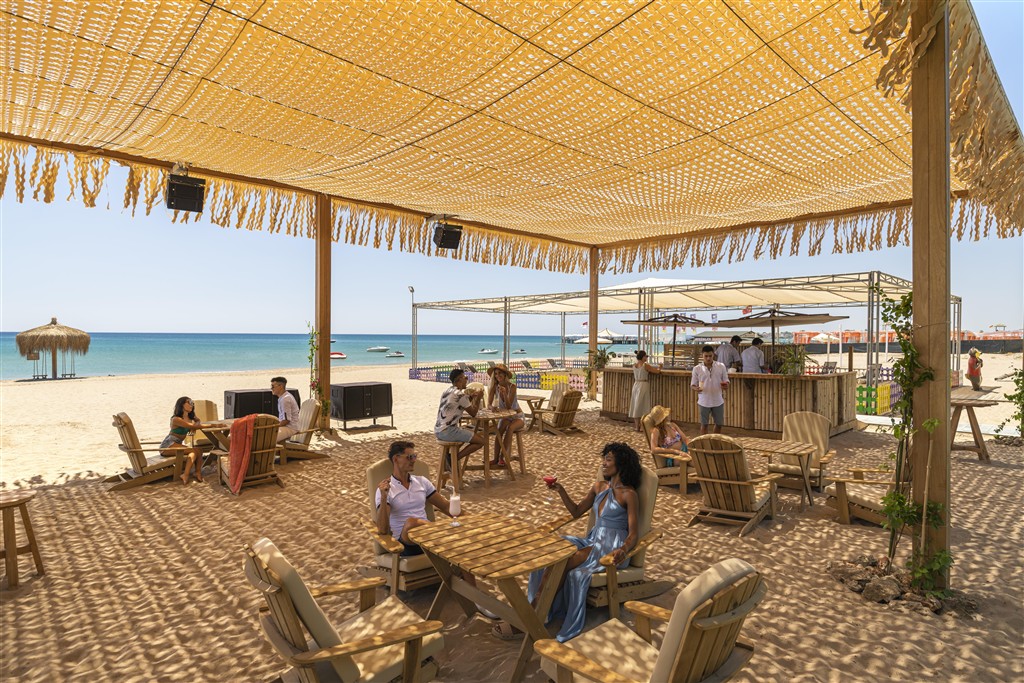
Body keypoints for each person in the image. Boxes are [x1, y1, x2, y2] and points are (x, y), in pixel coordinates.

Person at [506, 442, 640, 643]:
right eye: (603, 459)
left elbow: (634, 533)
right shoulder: (599, 487)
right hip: (593, 540)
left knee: (565, 561)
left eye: (608, 459)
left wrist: (623, 549)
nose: (603, 463)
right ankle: (541, 607)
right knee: (554, 548)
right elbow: (576, 512)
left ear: (620, 463)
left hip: (611, 549)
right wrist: (561, 490)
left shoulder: (629, 494)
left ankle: (533, 613)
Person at [376, 440, 492, 614]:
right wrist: (384, 496)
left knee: (461, 544)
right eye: (409, 457)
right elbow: (382, 529)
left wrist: (474, 521)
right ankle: (442, 532)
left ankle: (476, 600)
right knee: (411, 522)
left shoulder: (421, 482)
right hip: (405, 544)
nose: (414, 460)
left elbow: (445, 506)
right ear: (396, 459)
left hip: (431, 539)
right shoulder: (386, 489)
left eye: (415, 456)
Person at [434, 369, 485, 467]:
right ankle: (453, 459)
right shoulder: (460, 394)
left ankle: (449, 459)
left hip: (438, 430)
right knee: (481, 441)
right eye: (465, 377)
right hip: (448, 431)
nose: (467, 380)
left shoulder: (447, 391)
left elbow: (459, 404)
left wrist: (470, 397)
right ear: (460, 379)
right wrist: (478, 398)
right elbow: (473, 413)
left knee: (466, 433)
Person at [159, 396, 208, 485]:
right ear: (181, 405)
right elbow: (193, 426)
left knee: (199, 450)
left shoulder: (190, 417)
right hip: (167, 445)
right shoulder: (176, 419)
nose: (191, 405)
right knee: (194, 450)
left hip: (177, 444)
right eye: (188, 403)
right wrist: (214, 425)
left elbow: (197, 421)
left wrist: (195, 425)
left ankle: (197, 472)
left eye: (192, 403)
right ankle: (186, 474)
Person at [487, 363, 525, 467]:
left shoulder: (512, 387)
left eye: (500, 373)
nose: (497, 376)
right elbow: (488, 404)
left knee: (510, 428)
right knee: (499, 431)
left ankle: (502, 457)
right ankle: (495, 458)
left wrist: (504, 393)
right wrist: (492, 407)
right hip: (505, 416)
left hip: (517, 416)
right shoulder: (494, 387)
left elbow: (509, 406)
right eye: (496, 374)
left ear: (505, 375)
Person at [691, 345, 729, 435]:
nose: (708, 358)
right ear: (702, 355)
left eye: (710, 356)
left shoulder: (721, 366)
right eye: (706, 356)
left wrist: (726, 385)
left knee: (719, 424)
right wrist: (696, 388)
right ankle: (704, 442)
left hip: (718, 400)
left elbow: (726, 380)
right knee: (704, 425)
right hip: (703, 401)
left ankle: (715, 441)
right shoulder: (697, 368)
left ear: (713, 355)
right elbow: (693, 384)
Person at [628, 350, 662, 432]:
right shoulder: (645, 365)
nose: (646, 357)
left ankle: (637, 426)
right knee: (644, 405)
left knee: (636, 405)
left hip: (636, 384)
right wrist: (660, 367)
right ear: (643, 357)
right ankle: (643, 426)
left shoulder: (634, 365)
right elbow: (657, 371)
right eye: (646, 356)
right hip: (643, 384)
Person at [270, 376, 301, 443]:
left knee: (268, 438)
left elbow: (286, 420)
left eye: (273, 386)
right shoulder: (284, 397)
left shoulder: (285, 399)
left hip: (291, 428)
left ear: (280, 386)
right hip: (288, 426)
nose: (271, 388)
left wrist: (275, 426)